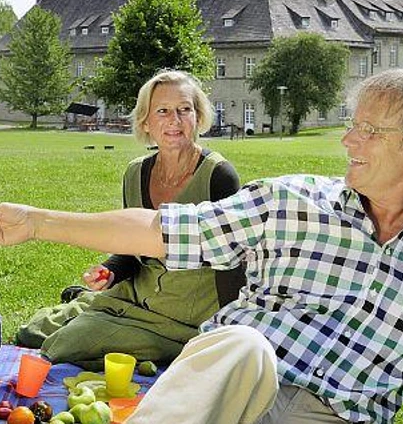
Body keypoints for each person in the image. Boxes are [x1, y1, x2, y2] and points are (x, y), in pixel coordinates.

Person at [0, 68, 403, 424]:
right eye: (351, 123)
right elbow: (162, 231)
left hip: (334, 413)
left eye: (369, 130)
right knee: (243, 343)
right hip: (229, 381)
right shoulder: (293, 199)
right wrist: (38, 221)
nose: (346, 139)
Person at [16, 69, 245, 370]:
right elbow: (132, 247)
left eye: (184, 109)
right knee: (32, 331)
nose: (175, 120)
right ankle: (87, 302)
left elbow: (234, 263)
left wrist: (226, 335)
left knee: (63, 345)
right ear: (145, 122)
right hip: (134, 293)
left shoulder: (219, 176)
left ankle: (92, 312)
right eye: (163, 111)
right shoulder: (136, 172)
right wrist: (111, 270)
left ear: (198, 116)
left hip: (181, 317)